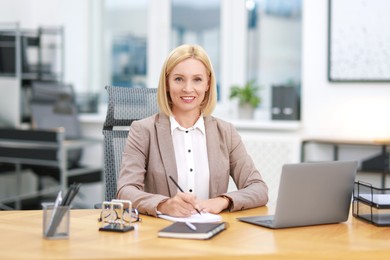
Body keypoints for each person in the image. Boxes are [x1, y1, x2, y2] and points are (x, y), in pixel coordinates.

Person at [117, 44, 268, 217]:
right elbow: (125, 191)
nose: (188, 88)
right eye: (179, 79)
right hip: (160, 233)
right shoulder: (143, 131)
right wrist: (165, 205)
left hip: (212, 233)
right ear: (166, 83)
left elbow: (259, 188)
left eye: (197, 79)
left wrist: (221, 201)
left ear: (208, 84)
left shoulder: (225, 132)